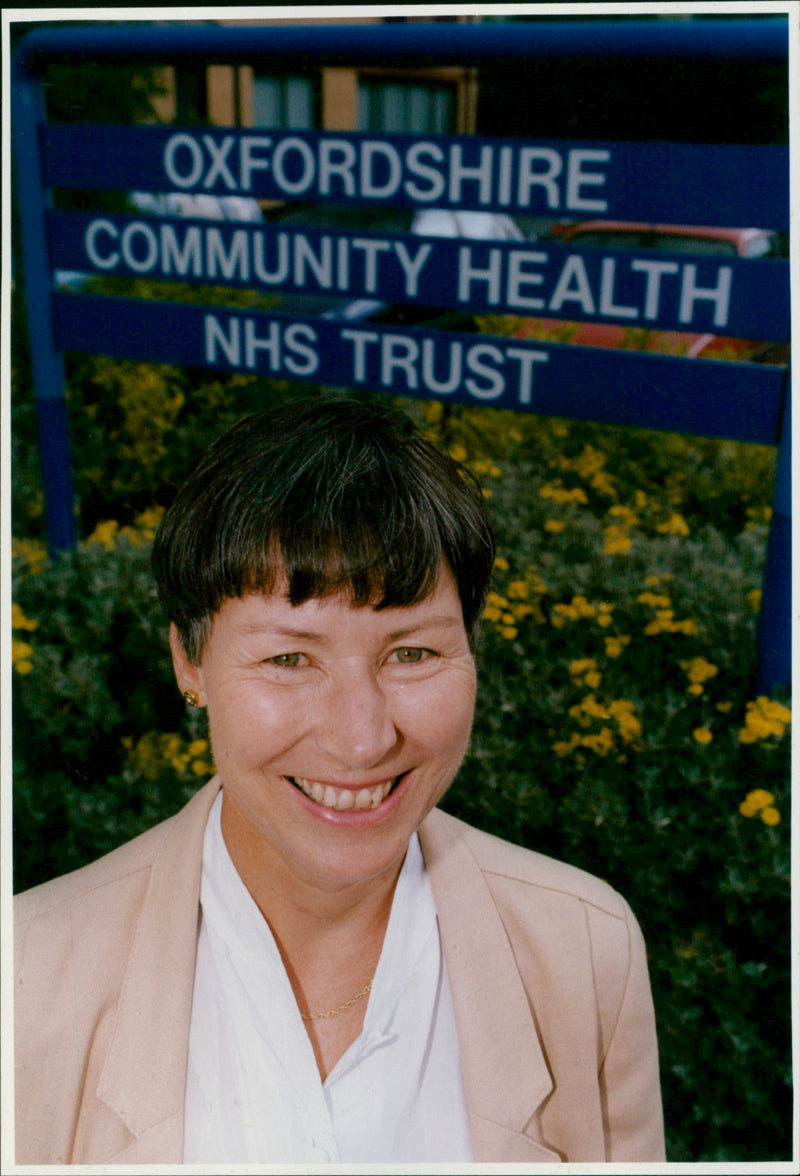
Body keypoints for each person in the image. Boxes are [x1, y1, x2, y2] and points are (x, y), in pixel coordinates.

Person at [14, 396, 665, 1165]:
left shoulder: (585, 948)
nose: (362, 739)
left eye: (413, 653)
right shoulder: (25, 979)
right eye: (290, 659)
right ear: (189, 662)